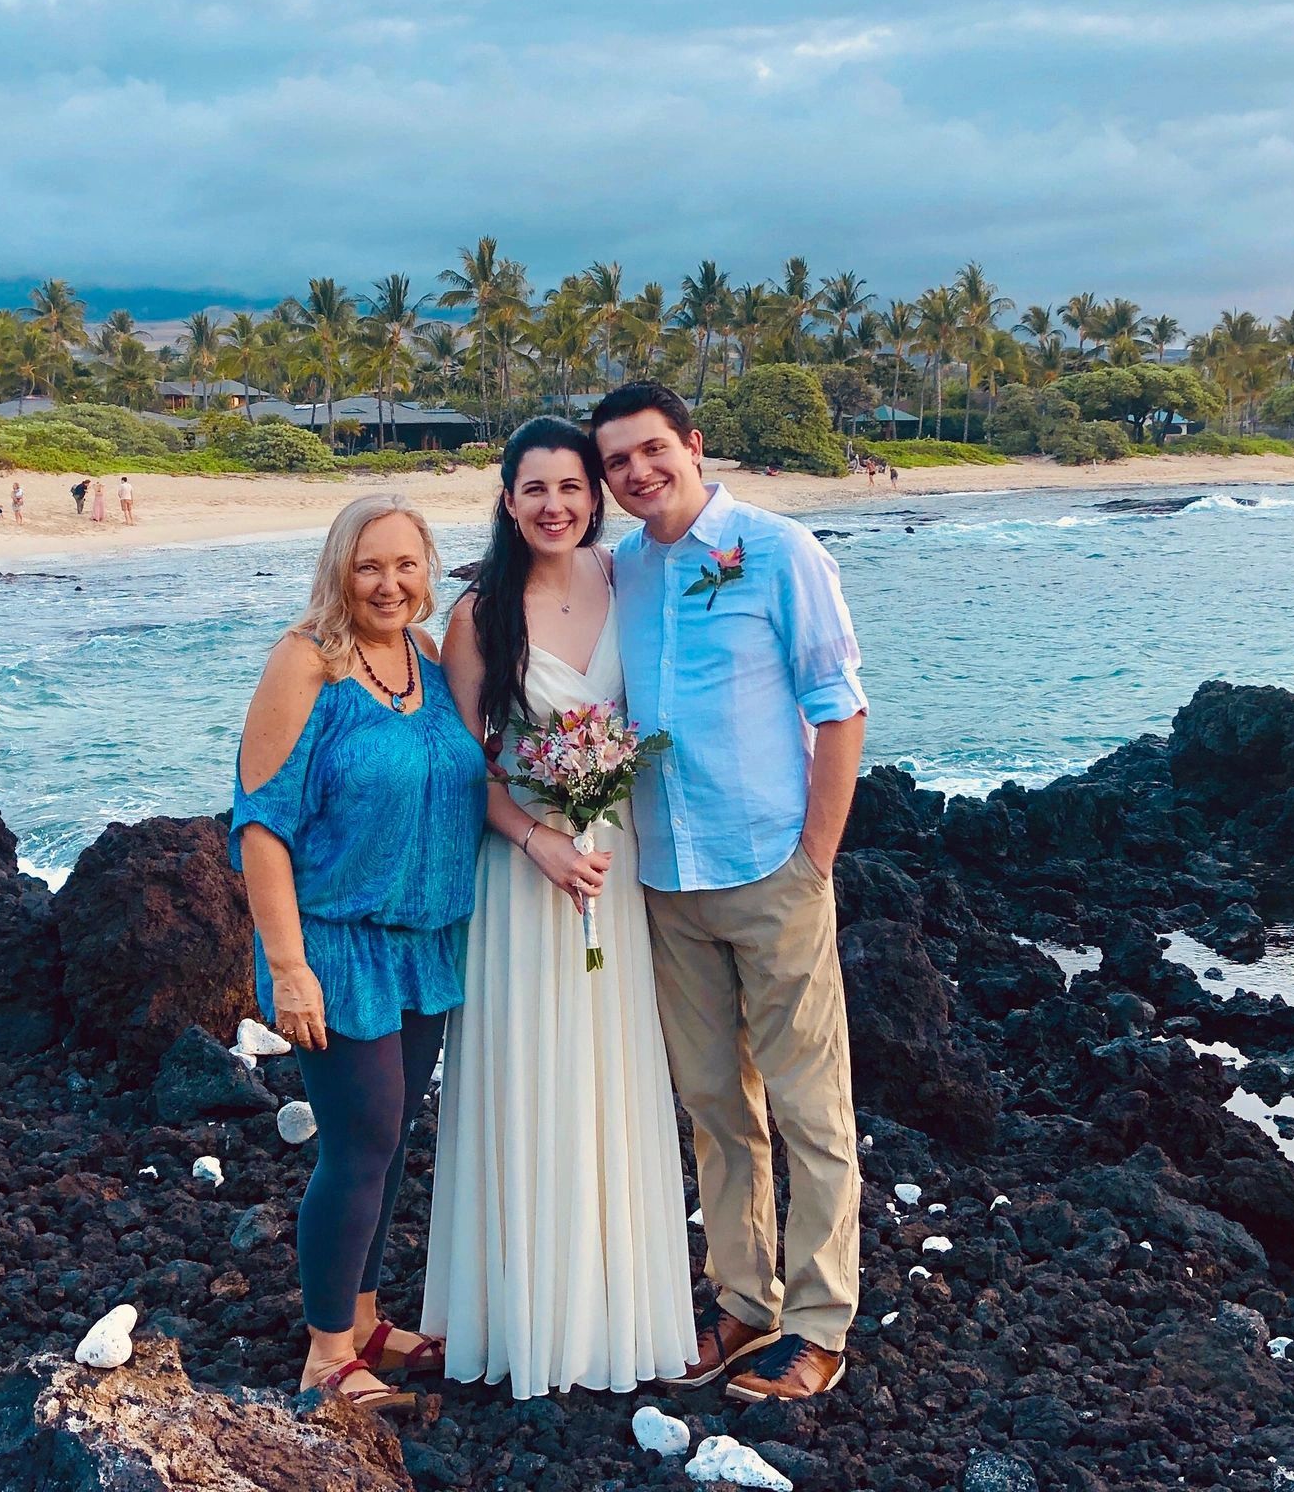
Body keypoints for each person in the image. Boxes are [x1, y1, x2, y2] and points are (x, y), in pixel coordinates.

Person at [591, 381, 868, 1407]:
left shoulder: (780, 551)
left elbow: (839, 712)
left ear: (692, 445)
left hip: (769, 870)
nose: (637, 472)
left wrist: (815, 859)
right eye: (617, 460)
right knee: (713, 1103)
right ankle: (743, 1302)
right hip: (664, 878)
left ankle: (820, 1321)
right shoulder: (622, 569)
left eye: (651, 450)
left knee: (809, 1108)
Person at [421, 420, 695, 1398]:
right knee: (528, 1072)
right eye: (534, 489)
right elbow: (465, 770)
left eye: (572, 486)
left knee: (612, 1075)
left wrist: (601, 825)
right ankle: (520, 1314)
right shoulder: (478, 616)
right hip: (523, 875)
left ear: (596, 494)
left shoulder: (627, 582)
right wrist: (538, 840)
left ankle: (616, 1309)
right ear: (506, 501)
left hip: (608, 875)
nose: (556, 506)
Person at [232, 496, 488, 1416]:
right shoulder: (306, 662)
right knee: (359, 1142)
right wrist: (288, 965)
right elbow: (262, 822)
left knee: (390, 1139)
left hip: (422, 945)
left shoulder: (422, 661)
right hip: (335, 946)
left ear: (429, 569)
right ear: (340, 569)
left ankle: (371, 1320)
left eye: (406, 565)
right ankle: (327, 1353)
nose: (388, 583)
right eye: (368, 566)